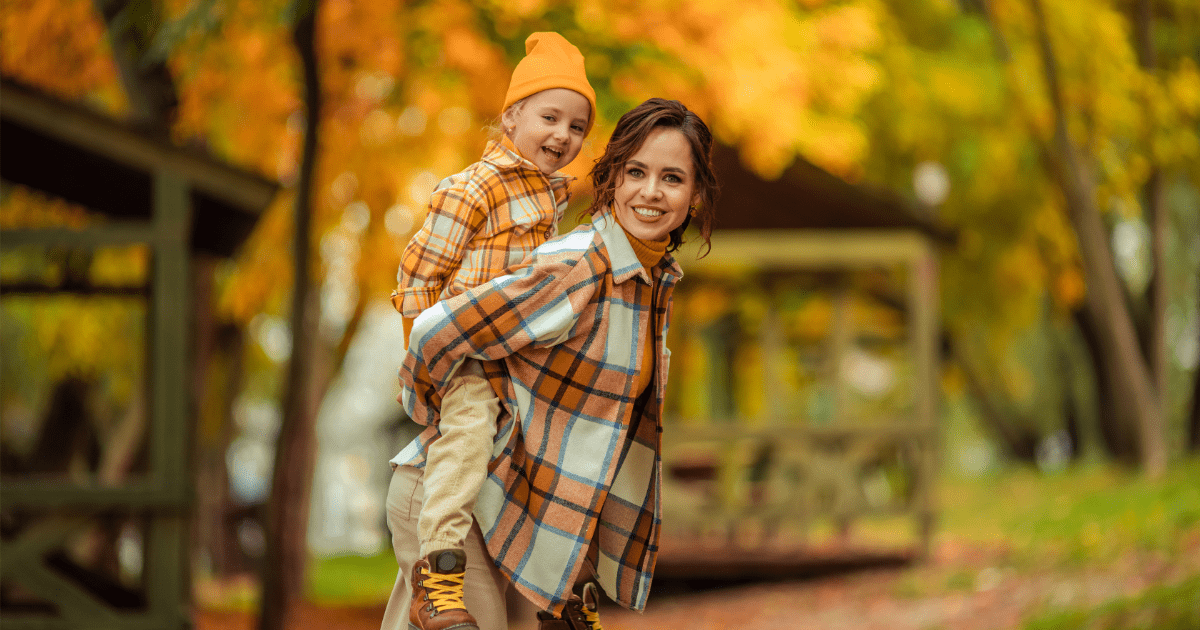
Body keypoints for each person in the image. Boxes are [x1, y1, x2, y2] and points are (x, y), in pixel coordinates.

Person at [388, 97, 718, 630]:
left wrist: (580, 571)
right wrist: (438, 408)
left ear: (695, 194)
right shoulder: (578, 266)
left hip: (524, 526)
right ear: (611, 179)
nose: (651, 192)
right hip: (462, 508)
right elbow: (434, 330)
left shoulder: (650, 283)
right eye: (636, 171)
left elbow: (596, 438)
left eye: (672, 178)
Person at [381, 31, 596, 630]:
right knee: (469, 431)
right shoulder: (473, 187)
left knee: (562, 444)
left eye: (576, 127)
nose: (562, 135)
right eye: (549, 117)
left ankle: (571, 586)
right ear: (511, 116)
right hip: (468, 355)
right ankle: (442, 568)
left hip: (519, 361)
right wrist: (425, 359)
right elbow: (418, 274)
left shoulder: (552, 198)